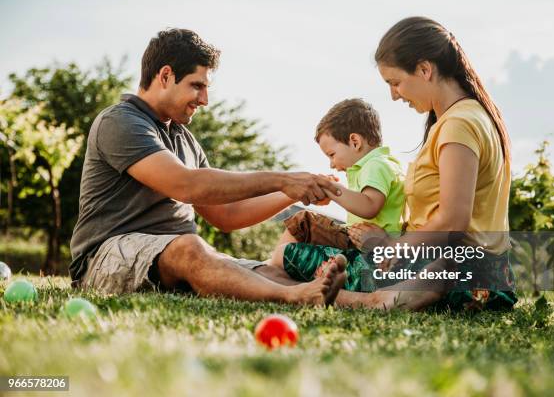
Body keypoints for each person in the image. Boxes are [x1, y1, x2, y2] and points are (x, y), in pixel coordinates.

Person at [69, 28, 346, 306]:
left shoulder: (185, 141)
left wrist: (296, 192)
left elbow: (226, 215)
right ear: (165, 76)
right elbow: (185, 185)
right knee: (189, 247)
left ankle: (371, 299)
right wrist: (283, 180)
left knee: (269, 272)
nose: (204, 100)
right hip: (105, 259)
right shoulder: (120, 122)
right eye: (197, 86)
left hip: (176, 257)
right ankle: (293, 298)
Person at [262, 17, 517, 311]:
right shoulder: (467, 118)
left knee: (288, 258)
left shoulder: (458, 125)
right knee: (301, 239)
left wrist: (392, 247)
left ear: (424, 70)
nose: (394, 95)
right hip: (461, 266)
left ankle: (373, 300)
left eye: (395, 83)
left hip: (453, 270)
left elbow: (453, 221)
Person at [267, 98, 405, 292]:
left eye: (331, 154)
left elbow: (369, 206)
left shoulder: (377, 165)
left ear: (355, 142)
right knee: (303, 222)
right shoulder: (372, 166)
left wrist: (332, 189)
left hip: (367, 243)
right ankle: (275, 266)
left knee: (303, 222)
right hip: (357, 237)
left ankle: (273, 271)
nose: (331, 164)